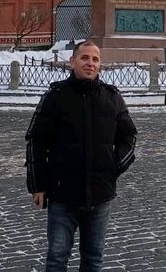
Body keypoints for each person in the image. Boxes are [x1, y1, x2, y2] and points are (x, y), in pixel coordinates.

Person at [25, 40, 137, 272]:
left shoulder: (112, 97)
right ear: (72, 61)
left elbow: (129, 135)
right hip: (63, 192)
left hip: (100, 192)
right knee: (57, 258)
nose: (90, 63)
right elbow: (36, 140)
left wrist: (115, 164)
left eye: (95, 59)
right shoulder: (55, 96)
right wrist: (38, 185)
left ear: (100, 65)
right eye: (85, 58)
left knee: (93, 259)